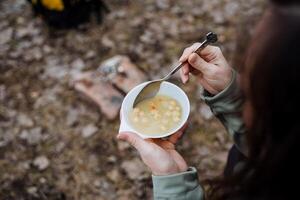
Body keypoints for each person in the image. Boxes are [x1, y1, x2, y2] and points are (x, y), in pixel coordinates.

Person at [117, 0, 300, 199]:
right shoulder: (279, 153)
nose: (242, 90)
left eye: (250, 91)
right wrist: (229, 92)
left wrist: (175, 186)